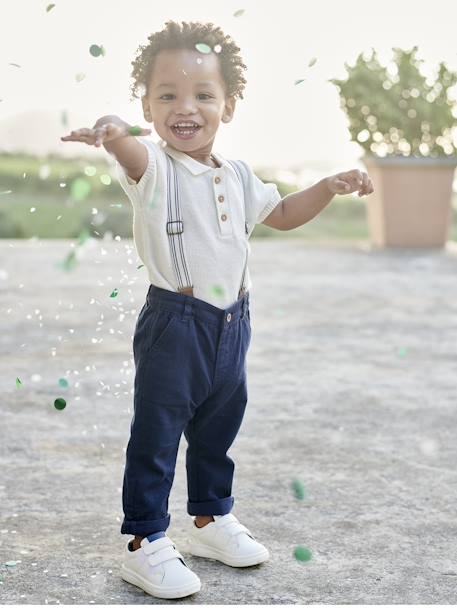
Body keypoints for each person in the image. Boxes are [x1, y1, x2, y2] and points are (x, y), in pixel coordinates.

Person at [61, 19, 374, 600]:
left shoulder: (237, 175)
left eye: (204, 95)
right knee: (157, 435)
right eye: (168, 96)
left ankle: (208, 520)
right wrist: (114, 131)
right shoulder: (153, 169)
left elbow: (280, 214)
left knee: (217, 428)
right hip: (175, 324)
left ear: (228, 106)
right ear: (148, 108)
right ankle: (144, 542)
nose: (187, 108)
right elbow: (130, 152)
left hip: (234, 323)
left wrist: (327, 186)